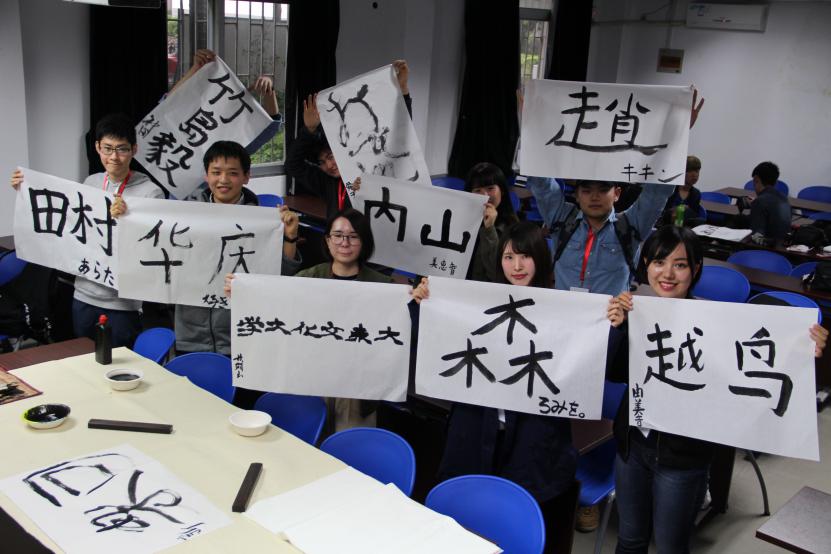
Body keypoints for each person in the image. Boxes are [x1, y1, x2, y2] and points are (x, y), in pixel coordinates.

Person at [605, 225, 827, 554]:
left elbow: (757, 363)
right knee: (629, 540)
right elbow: (614, 373)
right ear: (647, 266)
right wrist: (618, 328)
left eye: (680, 264)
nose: (668, 273)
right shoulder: (637, 313)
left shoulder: (718, 323)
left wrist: (803, 348)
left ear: (696, 269)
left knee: (670, 546)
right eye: (659, 262)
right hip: (633, 446)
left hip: (684, 457)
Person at [412, 221, 574, 547]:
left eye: (525, 256)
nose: (517, 266)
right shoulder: (478, 301)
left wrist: (613, 323)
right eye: (508, 257)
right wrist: (421, 304)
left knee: (514, 522)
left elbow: (585, 367)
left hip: (531, 438)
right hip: (476, 427)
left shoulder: (564, 310)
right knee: (467, 517)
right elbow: (431, 342)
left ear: (541, 259)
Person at [113, 140, 302, 361]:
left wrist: (290, 236)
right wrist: (126, 216)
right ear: (206, 176)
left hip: (240, 335)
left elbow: (280, 275)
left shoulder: (262, 222)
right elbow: (149, 254)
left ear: (246, 176)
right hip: (190, 334)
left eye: (233, 173)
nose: (223, 180)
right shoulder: (184, 217)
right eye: (216, 172)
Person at [227, 207, 393, 427]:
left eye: (353, 237)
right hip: (312, 379)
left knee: (349, 444)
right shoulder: (308, 278)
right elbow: (274, 304)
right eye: (338, 235)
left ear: (365, 242)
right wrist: (243, 292)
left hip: (357, 388)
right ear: (327, 240)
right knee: (308, 441)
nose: (344, 243)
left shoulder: (384, 286)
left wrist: (418, 297)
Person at [10, 113, 164, 347]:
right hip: (83, 293)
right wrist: (26, 190)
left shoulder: (150, 192)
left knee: (120, 360)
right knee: (84, 357)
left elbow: (153, 245)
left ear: (134, 149)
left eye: (122, 149)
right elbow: (67, 223)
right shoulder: (91, 183)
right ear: (97, 148)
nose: (114, 157)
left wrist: (130, 217)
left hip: (122, 302)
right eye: (108, 148)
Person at [285, 60, 412, 219]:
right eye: (321, 162)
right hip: (336, 234)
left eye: (330, 156)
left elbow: (400, 139)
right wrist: (309, 130)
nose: (328, 165)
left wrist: (403, 91)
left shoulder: (373, 170)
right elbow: (293, 165)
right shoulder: (326, 182)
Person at [526, 176, 672, 295]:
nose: (594, 197)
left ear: (617, 194)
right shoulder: (562, 219)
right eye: (587, 191)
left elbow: (657, 193)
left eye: (603, 190)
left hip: (611, 319)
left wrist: (669, 157)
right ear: (577, 195)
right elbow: (542, 185)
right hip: (566, 316)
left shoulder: (631, 225)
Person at [464, 162, 519, 282]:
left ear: (502, 191)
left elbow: (497, 274)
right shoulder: (460, 222)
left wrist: (489, 229)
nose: (485, 195)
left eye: (490, 188)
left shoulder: (513, 228)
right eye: (477, 190)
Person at [747, 161, 790, 246]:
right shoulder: (784, 199)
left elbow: (756, 236)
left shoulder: (759, 201)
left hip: (766, 248)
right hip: (782, 245)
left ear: (756, 179)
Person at [662, 155, 703, 225]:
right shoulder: (670, 189)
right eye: (690, 171)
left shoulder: (696, 193)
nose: (694, 175)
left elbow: (694, 216)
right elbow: (661, 212)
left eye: (697, 171)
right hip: (666, 225)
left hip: (685, 227)